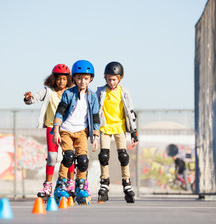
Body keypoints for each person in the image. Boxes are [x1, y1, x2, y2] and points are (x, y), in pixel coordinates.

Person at [24, 64, 75, 201]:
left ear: (68, 80)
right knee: (52, 157)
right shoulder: (48, 91)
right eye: (59, 79)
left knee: (69, 156)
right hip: (52, 128)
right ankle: (47, 186)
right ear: (53, 79)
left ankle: (71, 184)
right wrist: (29, 98)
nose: (61, 82)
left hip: (67, 129)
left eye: (64, 79)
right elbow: (34, 98)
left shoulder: (71, 92)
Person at [52, 60, 100, 204]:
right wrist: (56, 131)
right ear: (74, 78)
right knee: (68, 156)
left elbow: (96, 117)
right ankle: (61, 184)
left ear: (90, 78)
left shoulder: (92, 97)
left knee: (83, 160)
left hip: (82, 132)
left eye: (85, 78)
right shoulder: (68, 93)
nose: (82, 81)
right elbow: (59, 112)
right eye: (79, 78)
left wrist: (96, 137)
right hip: (66, 130)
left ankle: (80, 185)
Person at [96, 61, 138, 203]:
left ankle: (126, 183)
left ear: (120, 79)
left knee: (123, 156)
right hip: (104, 127)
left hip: (119, 127)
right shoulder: (101, 92)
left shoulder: (124, 93)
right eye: (109, 79)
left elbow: (131, 112)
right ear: (105, 78)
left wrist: (134, 132)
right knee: (104, 155)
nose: (111, 82)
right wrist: (93, 130)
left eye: (114, 79)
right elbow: (95, 111)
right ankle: (104, 182)